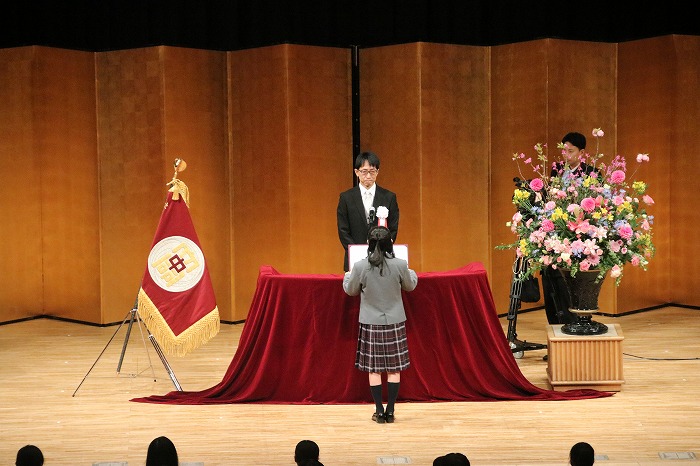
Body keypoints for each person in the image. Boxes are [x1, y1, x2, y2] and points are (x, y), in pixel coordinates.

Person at [343, 225, 418, 424]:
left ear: (368, 243)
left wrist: (347, 276)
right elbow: (410, 285)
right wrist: (412, 273)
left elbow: (351, 290)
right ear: (390, 243)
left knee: (374, 370)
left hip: (371, 323)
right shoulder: (400, 264)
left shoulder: (360, 266)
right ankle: (390, 411)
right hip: (394, 321)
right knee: (394, 369)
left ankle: (379, 411)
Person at [542, 131, 599, 325]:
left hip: (580, 232)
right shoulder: (557, 170)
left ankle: (576, 321)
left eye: (571, 151)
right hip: (558, 229)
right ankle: (557, 322)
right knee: (553, 277)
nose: (566, 155)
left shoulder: (592, 172)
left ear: (581, 152)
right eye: (564, 150)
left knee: (574, 280)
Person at [337, 151, 399, 272]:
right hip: (354, 260)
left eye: (372, 171)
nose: (368, 176)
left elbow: (393, 229)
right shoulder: (346, 198)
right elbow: (343, 230)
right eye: (364, 171)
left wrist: (380, 250)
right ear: (356, 172)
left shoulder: (389, 197)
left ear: (377, 172)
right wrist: (356, 251)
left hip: (382, 260)